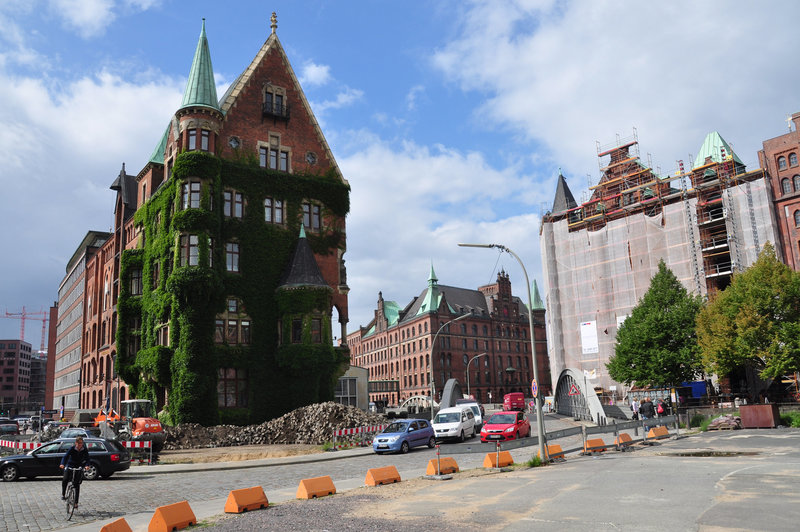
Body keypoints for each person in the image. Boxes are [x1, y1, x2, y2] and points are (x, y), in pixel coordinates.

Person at [60, 436, 90, 508]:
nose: (80, 445)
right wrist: (62, 464)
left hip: (78, 466)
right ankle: (63, 494)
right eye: (79, 443)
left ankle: (76, 502)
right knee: (65, 479)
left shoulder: (84, 449)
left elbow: (87, 459)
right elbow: (65, 457)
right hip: (70, 465)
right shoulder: (72, 449)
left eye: (81, 443)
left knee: (77, 484)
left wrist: (87, 465)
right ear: (76, 443)